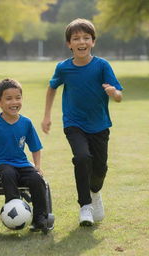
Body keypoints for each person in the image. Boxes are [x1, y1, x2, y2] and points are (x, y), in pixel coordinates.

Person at [41, 18, 123, 226]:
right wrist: (47, 116)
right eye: (76, 38)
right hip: (74, 122)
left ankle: (95, 193)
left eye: (86, 37)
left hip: (100, 125)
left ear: (93, 42)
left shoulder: (102, 66)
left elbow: (119, 95)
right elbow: (52, 88)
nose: (81, 41)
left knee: (100, 168)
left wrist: (114, 93)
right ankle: (85, 206)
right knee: (82, 157)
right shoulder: (63, 68)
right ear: (69, 44)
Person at [0, 78, 48, 231]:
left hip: (22, 164)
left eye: (18, 98)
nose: (14, 102)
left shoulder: (26, 123)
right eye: (9, 98)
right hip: (0, 165)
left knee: (37, 179)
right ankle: (14, 210)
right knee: (8, 173)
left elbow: (35, 147)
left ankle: (40, 218)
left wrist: (38, 166)